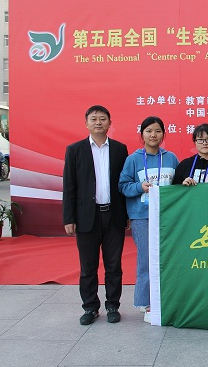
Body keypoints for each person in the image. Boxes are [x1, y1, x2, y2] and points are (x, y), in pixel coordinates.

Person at [62, 105, 129, 326]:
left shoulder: (120, 149)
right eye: (94, 119)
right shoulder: (75, 150)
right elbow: (69, 185)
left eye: (102, 119)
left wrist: (126, 214)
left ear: (110, 123)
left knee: (113, 265)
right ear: (86, 123)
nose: (98, 122)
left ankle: (112, 305)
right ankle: (90, 307)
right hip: (86, 217)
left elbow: (123, 183)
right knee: (88, 267)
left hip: (114, 215)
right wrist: (69, 218)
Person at [119, 116, 178, 323]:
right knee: (146, 258)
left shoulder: (171, 158)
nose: (153, 135)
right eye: (149, 131)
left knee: (167, 258)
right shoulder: (133, 159)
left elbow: (178, 185)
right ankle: (146, 302)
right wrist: (139, 187)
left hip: (167, 217)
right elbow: (123, 186)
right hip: (142, 216)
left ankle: (166, 297)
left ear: (163, 134)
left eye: (158, 131)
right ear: (142, 134)